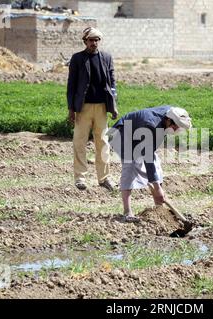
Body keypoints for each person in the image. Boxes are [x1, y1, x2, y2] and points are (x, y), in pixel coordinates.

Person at [109, 105, 192, 222]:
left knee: (156, 166)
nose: (175, 131)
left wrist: (156, 184)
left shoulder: (171, 112)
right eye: (175, 127)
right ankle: (127, 212)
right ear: (168, 121)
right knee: (130, 166)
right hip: (121, 134)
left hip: (138, 134)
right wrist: (156, 187)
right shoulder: (151, 125)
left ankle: (160, 209)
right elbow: (147, 156)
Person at [67, 27, 118, 191]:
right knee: (79, 142)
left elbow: (112, 83)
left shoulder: (106, 58)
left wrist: (113, 106)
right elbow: (71, 86)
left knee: (103, 143)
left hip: (102, 108)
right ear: (85, 41)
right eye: (91, 40)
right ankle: (80, 178)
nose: (94, 43)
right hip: (83, 108)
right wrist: (71, 109)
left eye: (96, 40)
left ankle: (104, 178)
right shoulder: (77, 59)